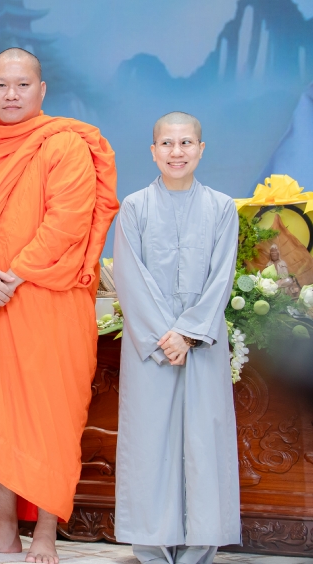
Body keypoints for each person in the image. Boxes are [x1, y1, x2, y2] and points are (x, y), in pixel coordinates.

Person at [0, 48, 119, 564]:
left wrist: (8, 277)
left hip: (45, 303)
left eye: (22, 85)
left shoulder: (63, 145)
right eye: (1, 85)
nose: (11, 95)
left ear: (42, 91)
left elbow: (67, 221)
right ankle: (4, 530)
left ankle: (45, 536)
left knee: (47, 417)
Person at [113, 111, 240, 564]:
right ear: (153, 151)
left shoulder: (223, 208)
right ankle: (151, 546)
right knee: (150, 442)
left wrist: (187, 333)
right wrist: (164, 335)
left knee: (205, 442)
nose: (177, 152)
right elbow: (129, 275)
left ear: (201, 150)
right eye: (167, 144)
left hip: (201, 345)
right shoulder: (134, 207)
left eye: (186, 143)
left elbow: (222, 276)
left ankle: (200, 548)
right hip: (150, 347)